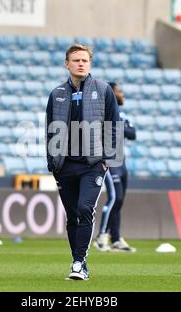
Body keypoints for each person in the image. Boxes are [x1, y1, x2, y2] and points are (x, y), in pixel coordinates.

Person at [46, 44, 120, 280]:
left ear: (90, 63)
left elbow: (113, 125)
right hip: (65, 166)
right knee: (72, 217)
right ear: (66, 64)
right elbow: (50, 131)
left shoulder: (104, 90)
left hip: (93, 164)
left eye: (85, 60)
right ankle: (80, 261)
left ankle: (78, 264)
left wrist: (107, 160)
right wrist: (52, 163)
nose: (80, 64)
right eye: (76, 60)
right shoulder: (56, 94)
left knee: (85, 209)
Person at [94, 82, 137, 252]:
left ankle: (116, 238)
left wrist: (119, 124)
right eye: (119, 91)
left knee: (119, 201)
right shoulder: (103, 114)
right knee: (114, 198)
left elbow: (132, 134)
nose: (122, 94)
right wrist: (120, 125)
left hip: (122, 163)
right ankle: (101, 236)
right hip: (109, 162)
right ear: (111, 93)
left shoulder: (122, 115)